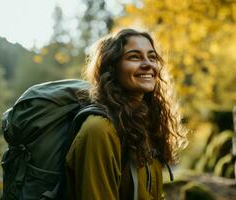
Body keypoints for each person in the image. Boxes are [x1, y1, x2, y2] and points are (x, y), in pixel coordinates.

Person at [64, 29, 187, 200]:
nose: (148, 64)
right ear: (111, 67)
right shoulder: (99, 130)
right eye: (134, 57)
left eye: (152, 57)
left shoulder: (144, 123)